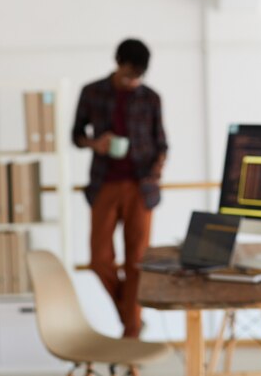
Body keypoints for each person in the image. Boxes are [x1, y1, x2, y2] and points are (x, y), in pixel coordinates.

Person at [72, 38, 168, 338]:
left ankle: (131, 335)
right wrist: (94, 143)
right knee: (99, 260)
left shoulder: (151, 97)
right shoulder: (91, 92)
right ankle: (133, 320)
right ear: (117, 63)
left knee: (137, 262)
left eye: (138, 76)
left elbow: (162, 144)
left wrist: (156, 172)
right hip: (104, 184)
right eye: (128, 74)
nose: (132, 81)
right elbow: (76, 135)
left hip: (141, 188)